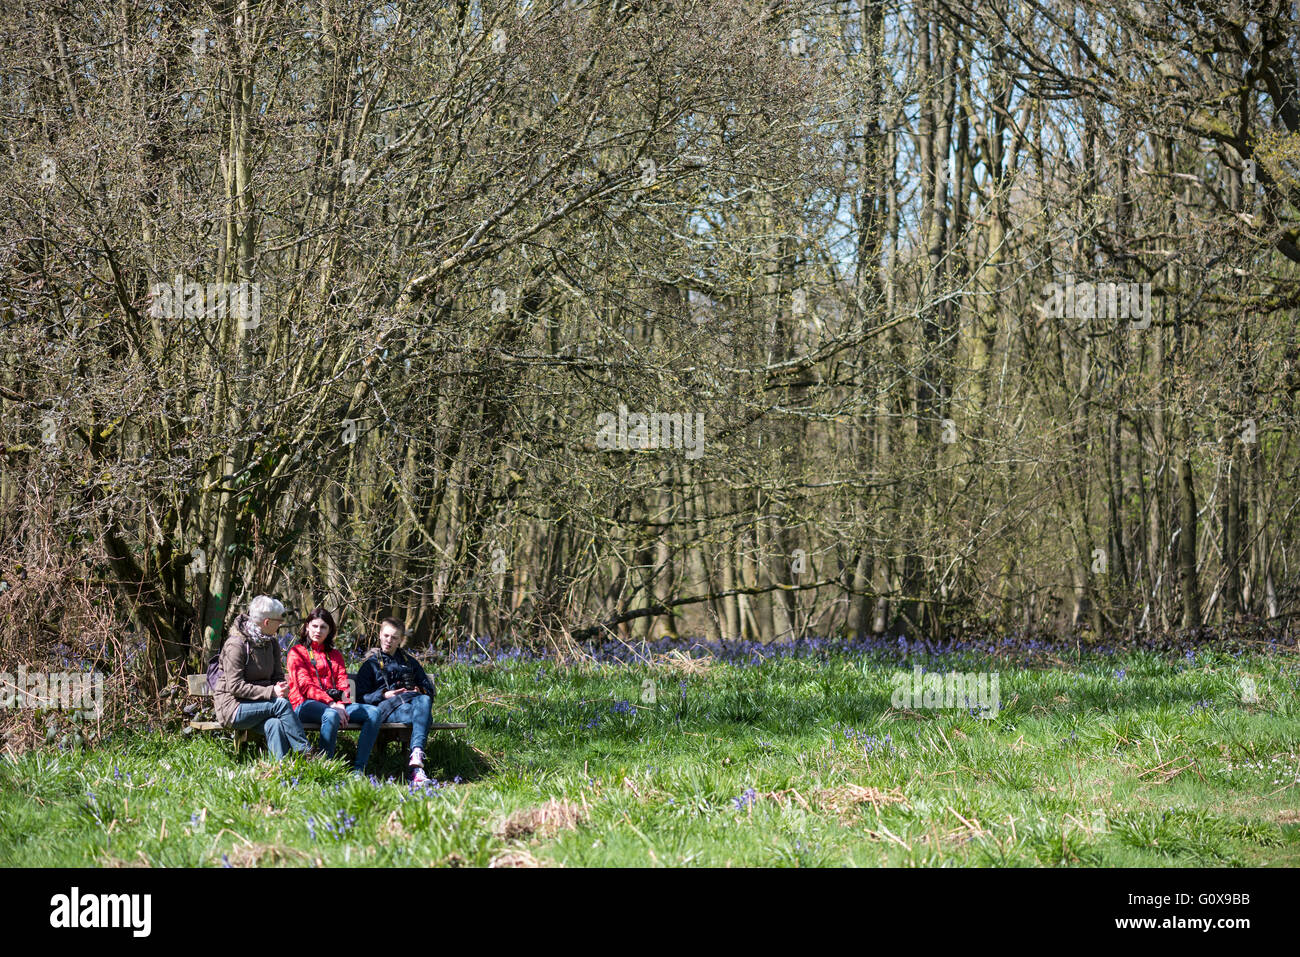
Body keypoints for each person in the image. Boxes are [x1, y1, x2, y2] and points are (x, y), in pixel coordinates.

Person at [286, 607, 381, 774]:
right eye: (314, 626)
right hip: (304, 704)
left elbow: (343, 682)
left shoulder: (335, 655)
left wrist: (342, 703)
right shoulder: (297, 653)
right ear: (307, 626)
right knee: (331, 715)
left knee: (374, 713)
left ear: (329, 631)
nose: (318, 631)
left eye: (323, 627)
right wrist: (331, 704)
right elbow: (305, 686)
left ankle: (358, 770)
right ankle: (324, 769)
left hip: (335, 705)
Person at [214, 595, 309, 760]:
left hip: (260, 705)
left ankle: (281, 769)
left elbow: (277, 676)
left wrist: (281, 686)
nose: (280, 625)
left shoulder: (271, 643)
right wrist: (272, 691)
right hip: (233, 708)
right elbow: (235, 686)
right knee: (280, 705)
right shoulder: (236, 645)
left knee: (275, 724)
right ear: (267, 622)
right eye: (278, 621)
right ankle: (305, 753)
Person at [356, 618, 437, 785]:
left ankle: (416, 754)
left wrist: (417, 690)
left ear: (400, 639)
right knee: (424, 716)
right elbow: (360, 697)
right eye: (386, 636)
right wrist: (384, 695)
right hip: (387, 710)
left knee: (424, 699)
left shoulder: (409, 662)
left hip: (412, 706)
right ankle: (416, 770)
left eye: (394, 637)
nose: (389, 640)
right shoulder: (370, 665)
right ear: (379, 635)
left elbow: (428, 690)